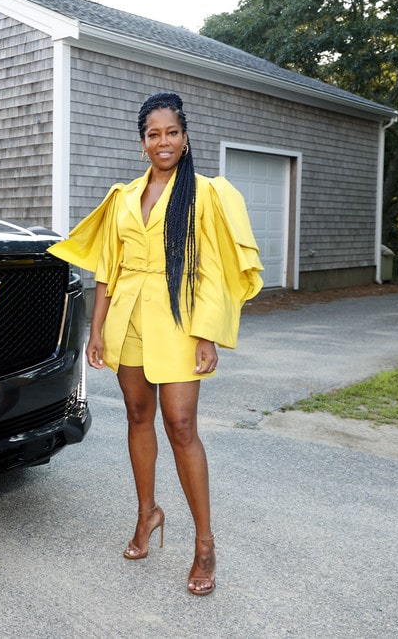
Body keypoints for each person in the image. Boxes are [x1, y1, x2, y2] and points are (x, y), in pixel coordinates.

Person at [48, 92, 263, 595]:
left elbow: (211, 267)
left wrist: (206, 332)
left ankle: (205, 545)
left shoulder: (207, 193)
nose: (162, 141)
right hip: (128, 318)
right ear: (142, 141)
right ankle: (147, 514)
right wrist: (95, 330)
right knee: (137, 417)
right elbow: (106, 270)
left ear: (185, 139)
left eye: (171, 132)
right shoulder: (123, 197)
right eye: (153, 133)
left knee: (182, 425)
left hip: (181, 317)